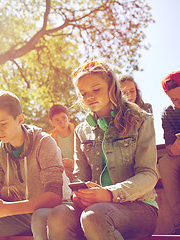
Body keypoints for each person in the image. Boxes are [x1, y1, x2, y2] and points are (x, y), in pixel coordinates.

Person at [36, 59, 159, 240]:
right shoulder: (81, 131)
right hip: (94, 207)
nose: (89, 97)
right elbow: (80, 175)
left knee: (95, 216)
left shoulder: (141, 119)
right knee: (58, 215)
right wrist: (78, 195)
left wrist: (110, 194)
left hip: (140, 206)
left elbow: (148, 175)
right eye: (84, 93)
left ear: (111, 87)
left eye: (96, 89)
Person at [0, 90, 65, 240]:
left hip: (47, 212)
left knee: (39, 217)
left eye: (3, 123)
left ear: (20, 119)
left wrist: (5, 209)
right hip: (18, 216)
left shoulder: (44, 142)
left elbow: (55, 197)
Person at [158, 71, 180, 235]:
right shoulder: (168, 112)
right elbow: (168, 146)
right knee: (165, 162)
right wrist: (173, 149)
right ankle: (179, 222)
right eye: (175, 100)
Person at [48, 104, 76, 182]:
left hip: (82, 171)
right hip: (63, 175)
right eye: (57, 120)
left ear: (68, 117)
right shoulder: (49, 139)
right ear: (52, 122)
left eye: (64, 118)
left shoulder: (78, 132)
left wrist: (73, 164)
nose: (62, 122)